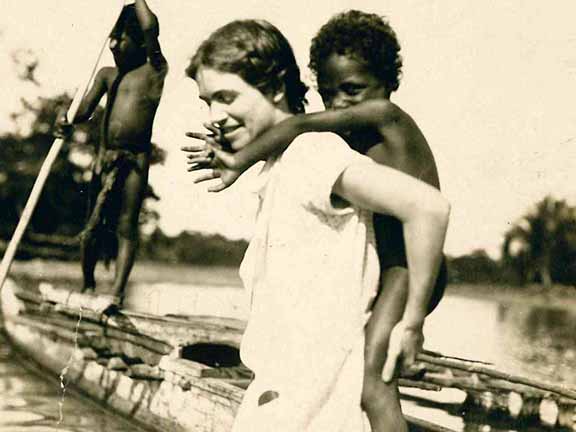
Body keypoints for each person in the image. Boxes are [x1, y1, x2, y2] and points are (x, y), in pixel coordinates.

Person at [185, 10, 446, 431]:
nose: (214, 114)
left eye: (226, 97)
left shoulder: (326, 145)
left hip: (402, 275)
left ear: (272, 87)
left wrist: (413, 323)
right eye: (207, 101)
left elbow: (429, 207)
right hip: (296, 392)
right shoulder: (315, 154)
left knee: (376, 381)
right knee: (374, 379)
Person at [55, 0, 167, 307]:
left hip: (136, 159)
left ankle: (116, 292)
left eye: (121, 38)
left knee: (126, 226)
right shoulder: (107, 75)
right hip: (105, 157)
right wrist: (65, 118)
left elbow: (149, 25)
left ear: (141, 42)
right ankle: (88, 284)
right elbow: (83, 111)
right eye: (111, 38)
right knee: (93, 226)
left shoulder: (154, 70)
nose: (114, 44)